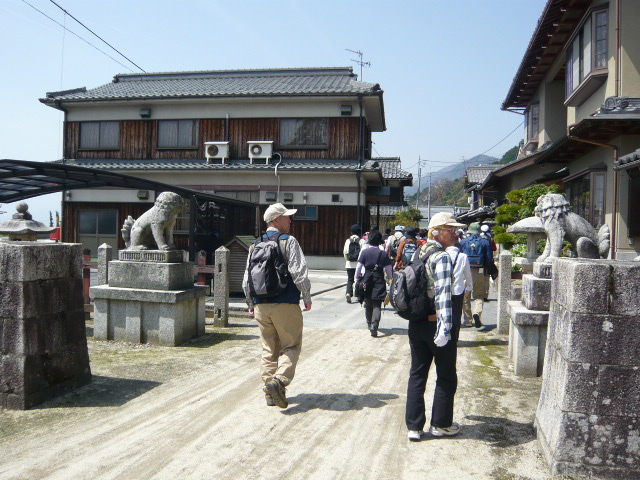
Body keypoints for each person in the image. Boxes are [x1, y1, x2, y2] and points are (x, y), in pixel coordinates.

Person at [242, 203, 312, 409]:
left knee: (268, 348)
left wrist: (250, 302)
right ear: (276, 220)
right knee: (291, 346)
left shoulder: (255, 245)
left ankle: (269, 393)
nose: (290, 220)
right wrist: (306, 296)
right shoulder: (288, 241)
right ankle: (279, 381)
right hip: (285, 303)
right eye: (287, 217)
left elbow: (246, 279)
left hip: (261, 305)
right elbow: (299, 271)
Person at [405, 211, 465, 442]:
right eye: (450, 229)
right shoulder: (442, 257)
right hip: (436, 325)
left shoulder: (419, 252)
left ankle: (414, 427)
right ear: (436, 232)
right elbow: (443, 296)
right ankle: (441, 424)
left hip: (416, 323)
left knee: (417, 374)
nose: (455, 233)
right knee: (446, 376)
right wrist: (445, 329)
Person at [355, 230, 393, 337]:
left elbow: (358, 267)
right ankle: (374, 326)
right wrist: (391, 279)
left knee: (368, 303)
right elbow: (388, 269)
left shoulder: (365, 252)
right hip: (379, 279)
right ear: (379, 241)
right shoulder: (383, 254)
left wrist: (357, 278)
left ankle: (369, 324)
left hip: (367, 279)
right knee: (377, 304)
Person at [460, 222, 493, 328]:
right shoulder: (485, 242)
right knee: (479, 296)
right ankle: (477, 313)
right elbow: (489, 258)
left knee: (466, 296)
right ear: (479, 231)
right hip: (479, 270)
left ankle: (468, 320)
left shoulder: (463, 242)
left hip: (465, 270)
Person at [446, 240, 472, 329]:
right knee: (456, 315)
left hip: (445, 289)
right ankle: (455, 334)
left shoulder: (442, 254)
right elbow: (468, 274)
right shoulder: (463, 256)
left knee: (445, 313)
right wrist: (469, 287)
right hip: (458, 288)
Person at [343, 224, 366, 303]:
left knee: (350, 280)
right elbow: (363, 252)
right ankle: (358, 295)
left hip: (349, 264)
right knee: (358, 279)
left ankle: (348, 293)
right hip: (358, 264)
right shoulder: (361, 241)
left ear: (352, 231)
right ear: (359, 232)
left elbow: (345, 252)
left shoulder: (348, 241)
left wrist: (347, 260)